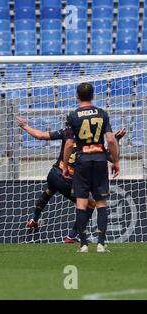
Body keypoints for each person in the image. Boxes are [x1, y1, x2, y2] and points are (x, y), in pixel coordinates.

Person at [16, 117, 125, 243]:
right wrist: (116, 139)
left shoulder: (66, 132)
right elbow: (113, 157)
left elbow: (40, 136)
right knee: (91, 203)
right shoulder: (91, 142)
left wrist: (24, 126)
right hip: (67, 180)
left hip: (53, 173)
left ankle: (33, 220)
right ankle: (72, 236)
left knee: (50, 190)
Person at [63, 83, 120, 253]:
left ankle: (84, 245)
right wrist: (115, 161)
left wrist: (66, 165)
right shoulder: (102, 114)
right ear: (93, 96)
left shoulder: (73, 116)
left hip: (82, 161)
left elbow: (68, 144)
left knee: (81, 203)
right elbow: (110, 140)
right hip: (100, 160)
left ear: (77, 97)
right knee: (101, 202)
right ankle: (101, 244)